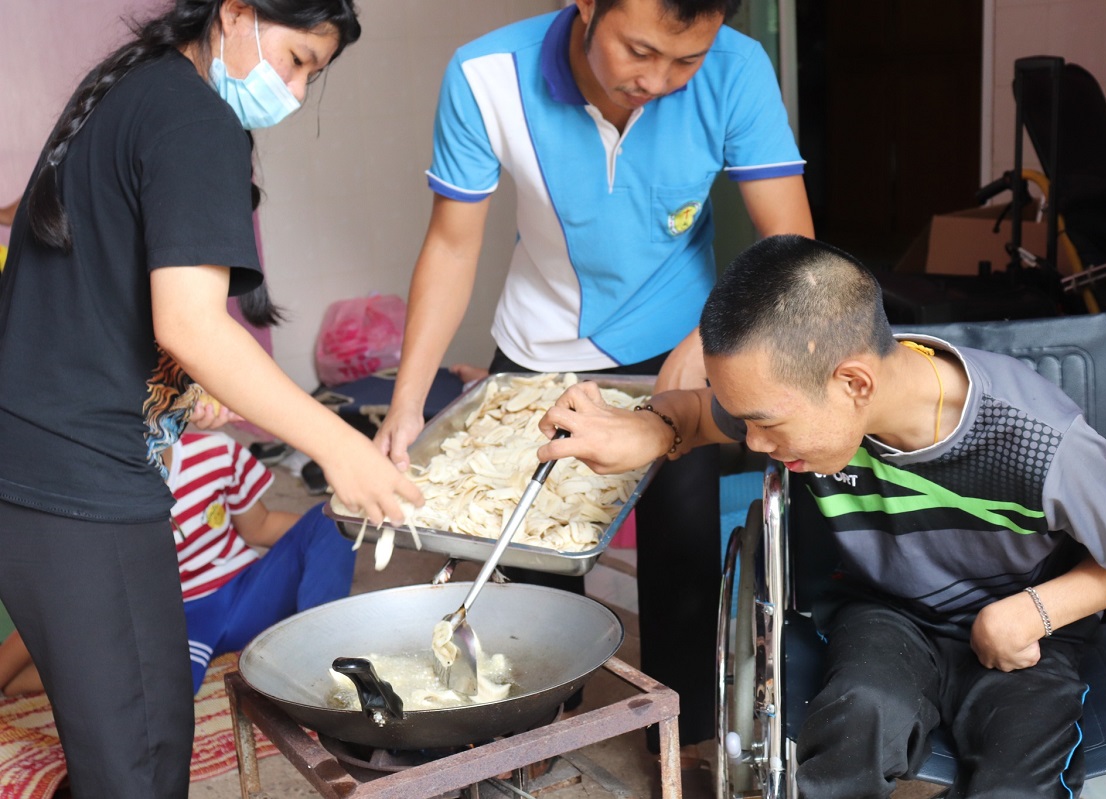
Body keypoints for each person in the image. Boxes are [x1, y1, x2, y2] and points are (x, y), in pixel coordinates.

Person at [536, 234, 1106, 797]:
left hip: (1024, 623)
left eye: (765, 424)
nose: (753, 443)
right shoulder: (805, 388)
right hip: (888, 611)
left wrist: (1034, 612)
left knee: (1017, 782)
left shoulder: (1040, 440)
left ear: (854, 384)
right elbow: (696, 414)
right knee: (858, 723)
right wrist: (647, 427)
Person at [373, 0, 814, 764]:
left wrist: (710, 338)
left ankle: (682, 743)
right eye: (639, 51)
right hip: (539, 347)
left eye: (686, 60)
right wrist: (407, 402)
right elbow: (451, 246)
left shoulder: (738, 69)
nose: (660, 80)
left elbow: (790, 243)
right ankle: (539, 728)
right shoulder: (487, 76)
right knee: (535, 569)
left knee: (680, 568)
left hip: (679, 347)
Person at [0, 2, 419, 796]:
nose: (296, 93)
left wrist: (171, 393)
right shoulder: (193, 115)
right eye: (296, 60)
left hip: (39, 463)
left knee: (136, 735)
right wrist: (339, 444)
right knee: (142, 762)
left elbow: (99, 292)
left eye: (313, 76)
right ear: (235, 14)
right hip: (78, 480)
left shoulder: (131, 88)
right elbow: (192, 323)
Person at [0, 430, 355, 697]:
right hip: (176, 620)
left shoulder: (215, 452)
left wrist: (325, 538)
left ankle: (327, 657)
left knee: (333, 516)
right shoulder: (91, 491)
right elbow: (61, 595)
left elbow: (260, 527)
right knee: (154, 696)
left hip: (250, 592)